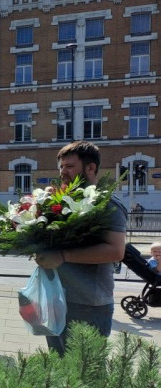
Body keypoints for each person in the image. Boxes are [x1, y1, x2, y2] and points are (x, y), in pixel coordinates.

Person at [35, 141, 127, 356]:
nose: (62, 172)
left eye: (69, 166)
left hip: (89, 305)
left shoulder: (108, 204)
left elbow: (116, 251)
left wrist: (63, 256)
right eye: (61, 167)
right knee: (59, 369)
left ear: (91, 168)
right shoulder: (62, 202)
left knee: (86, 375)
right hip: (57, 300)